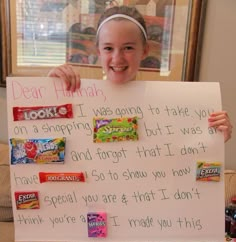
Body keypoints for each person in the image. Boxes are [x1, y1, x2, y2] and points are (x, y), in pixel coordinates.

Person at [48, 5, 232, 142]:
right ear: (98, 51)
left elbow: (184, 154)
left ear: (144, 51)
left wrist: (215, 137)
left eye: (128, 47)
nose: (117, 58)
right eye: (108, 48)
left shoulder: (170, 106)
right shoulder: (78, 99)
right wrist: (47, 92)